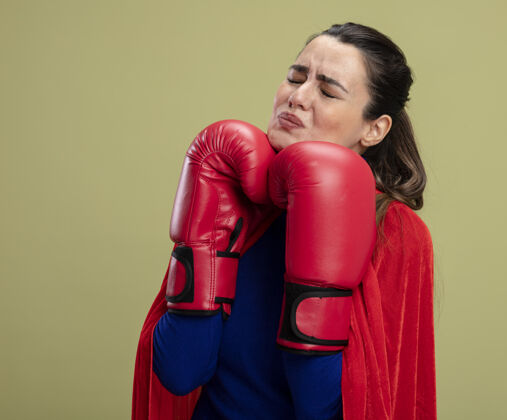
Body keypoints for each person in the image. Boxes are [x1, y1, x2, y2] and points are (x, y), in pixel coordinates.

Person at [132, 22, 436, 420]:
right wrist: (203, 247)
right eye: (295, 77)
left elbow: (325, 408)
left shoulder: (396, 232)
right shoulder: (233, 195)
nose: (298, 97)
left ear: (374, 129)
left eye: (327, 91)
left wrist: (318, 263)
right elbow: (179, 371)